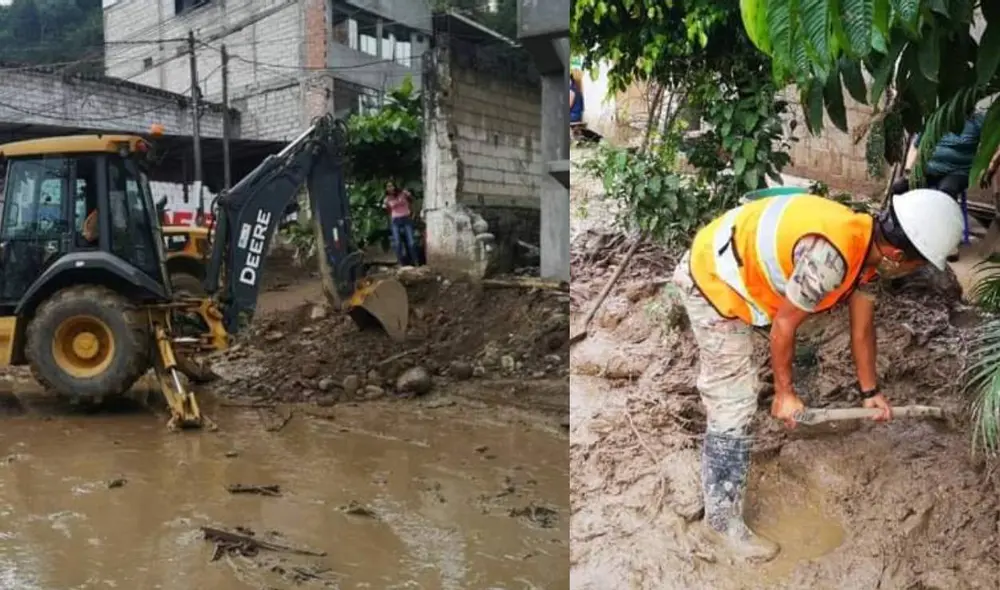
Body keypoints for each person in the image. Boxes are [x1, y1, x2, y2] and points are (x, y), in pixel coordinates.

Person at [671, 189, 965, 562]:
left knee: (810, 324)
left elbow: (862, 329)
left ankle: (792, 401)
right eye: (918, 265)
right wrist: (783, 393)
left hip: (753, 277)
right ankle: (721, 523)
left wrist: (870, 391)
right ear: (896, 256)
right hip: (713, 279)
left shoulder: (868, 253)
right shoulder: (831, 259)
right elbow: (783, 326)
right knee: (734, 398)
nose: (915, 271)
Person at [383, 180, 419, 267]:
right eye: (388, 186)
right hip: (395, 221)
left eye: (391, 186)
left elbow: (412, 202)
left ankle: (416, 262)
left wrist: (413, 214)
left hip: (406, 219)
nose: (390, 188)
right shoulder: (387, 199)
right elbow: (388, 212)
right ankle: (401, 263)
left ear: (395, 186)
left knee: (411, 242)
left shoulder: (403, 194)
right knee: (397, 243)